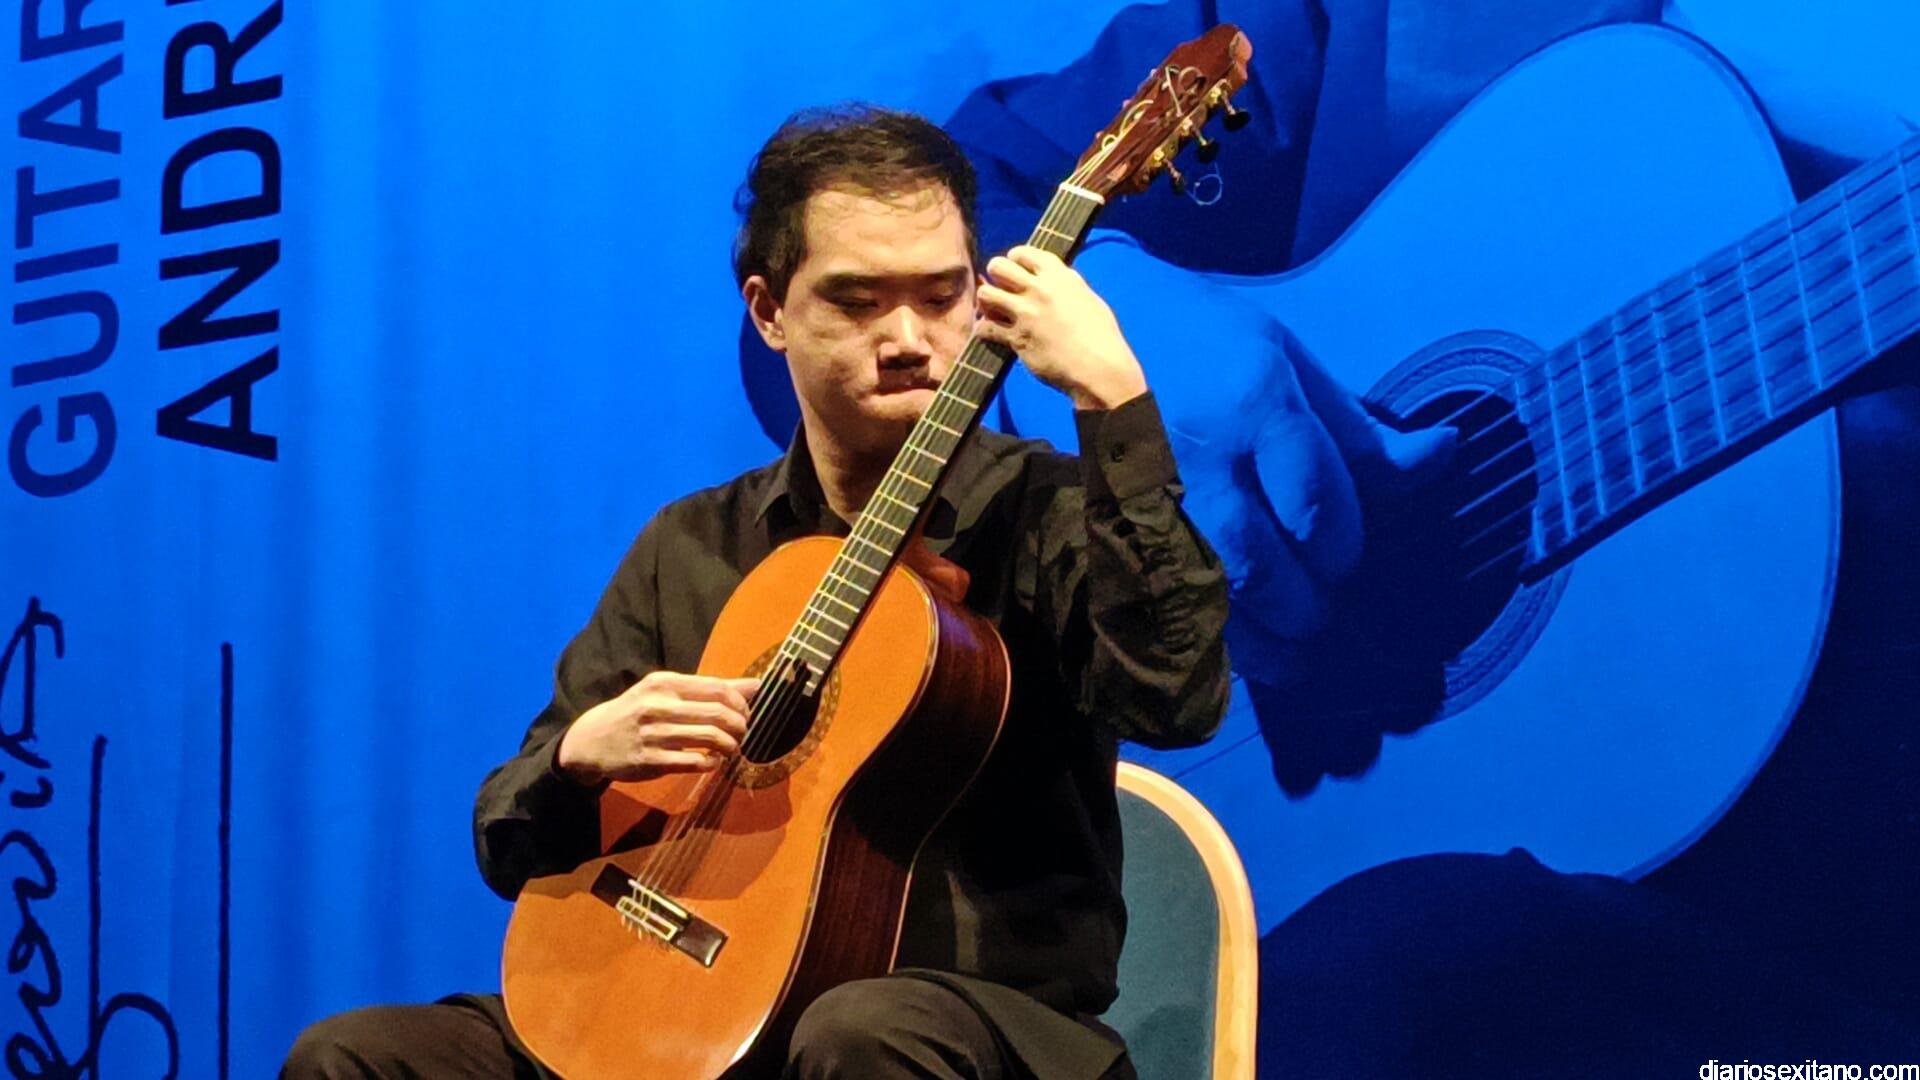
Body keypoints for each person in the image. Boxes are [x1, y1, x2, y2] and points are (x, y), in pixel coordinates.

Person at [284, 103, 1235, 1078]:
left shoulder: (1051, 514)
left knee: (860, 1033)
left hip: (969, 1037)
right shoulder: (693, 547)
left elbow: (1177, 699)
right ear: (770, 311)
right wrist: (578, 760)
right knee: (353, 1058)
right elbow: (508, 842)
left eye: (942, 294)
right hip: (686, 1011)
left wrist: (1113, 401)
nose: (909, 337)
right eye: (858, 300)